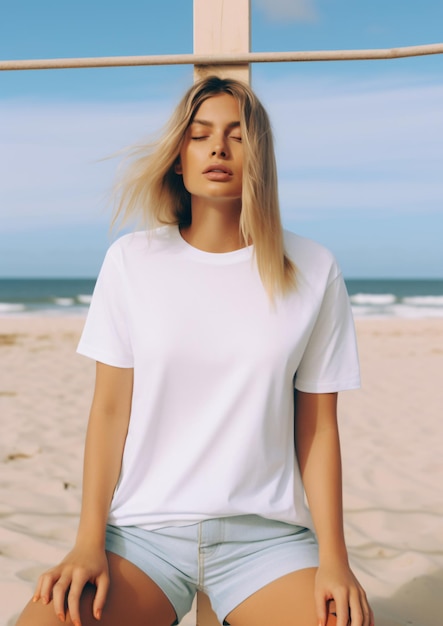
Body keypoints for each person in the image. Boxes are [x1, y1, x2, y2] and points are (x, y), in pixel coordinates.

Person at [16, 75, 374, 626]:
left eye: (236, 135)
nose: (219, 148)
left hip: (268, 543)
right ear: (179, 158)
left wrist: (335, 559)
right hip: (142, 538)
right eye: (200, 134)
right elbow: (109, 411)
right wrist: (87, 542)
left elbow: (319, 428)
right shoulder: (131, 261)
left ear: (260, 157)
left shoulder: (314, 269)